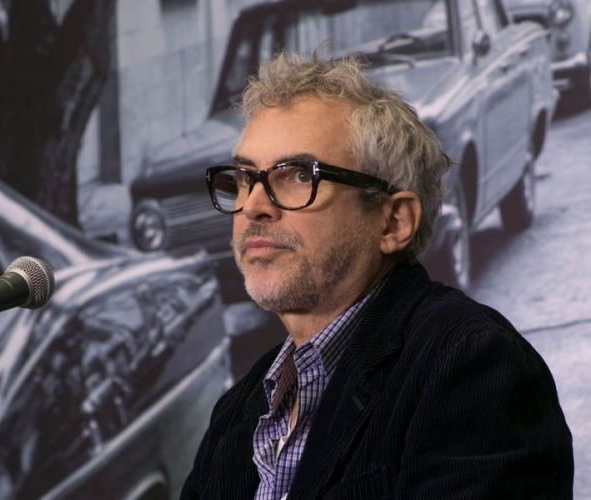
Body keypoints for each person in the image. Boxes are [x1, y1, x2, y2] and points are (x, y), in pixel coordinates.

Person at [181, 52, 573, 499]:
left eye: (296, 176)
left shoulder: (473, 365)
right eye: (245, 177)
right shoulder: (239, 412)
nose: (252, 205)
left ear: (393, 223)